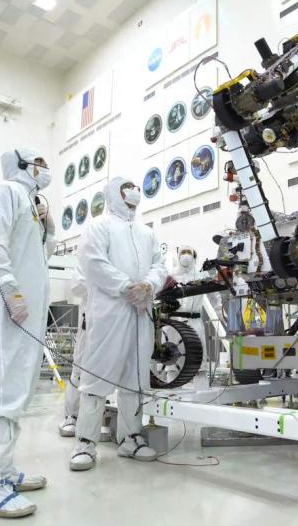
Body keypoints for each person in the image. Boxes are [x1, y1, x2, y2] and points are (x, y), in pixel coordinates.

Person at [0, 148, 55, 518]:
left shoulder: (29, 204)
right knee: (3, 393)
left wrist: (47, 225)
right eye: (41, 163)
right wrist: (9, 288)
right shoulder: (3, 191)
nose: (45, 169)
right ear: (23, 164)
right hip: (8, 310)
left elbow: (40, 256)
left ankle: (5, 473)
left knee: (16, 393)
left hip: (25, 314)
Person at [69, 177, 167, 471]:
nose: (134, 191)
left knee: (136, 377)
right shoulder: (98, 227)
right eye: (127, 187)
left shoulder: (146, 232)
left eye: (135, 187)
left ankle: (131, 438)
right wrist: (127, 287)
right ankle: (85, 442)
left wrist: (149, 286)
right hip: (110, 312)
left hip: (141, 312)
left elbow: (159, 265)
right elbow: (94, 265)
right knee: (97, 376)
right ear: (113, 192)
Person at [58, 272, 111, 442]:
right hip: (89, 323)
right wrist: (105, 283)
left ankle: (96, 421)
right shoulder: (86, 261)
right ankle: (71, 416)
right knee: (80, 370)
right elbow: (77, 287)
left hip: (111, 324)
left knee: (105, 374)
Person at [169, 246, 206, 345]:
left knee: (196, 356)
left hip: (194, 322)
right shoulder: (170, 275)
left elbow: (215, 297)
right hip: (174, 323)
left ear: (194, 256)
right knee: (172, 356)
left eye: (189, 252)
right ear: (178, 256)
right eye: (183, 252)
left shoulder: (201, 275)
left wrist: (220, 314)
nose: (186, 255)